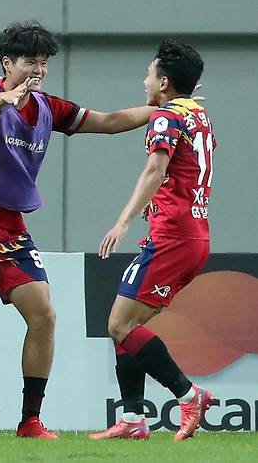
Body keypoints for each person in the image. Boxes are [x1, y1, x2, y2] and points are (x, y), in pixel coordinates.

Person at [0, 21, 157, 439]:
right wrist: (6, 96)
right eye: (29, 62)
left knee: (44, 316)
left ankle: (30, 420)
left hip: (10, 231)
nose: (38, 70)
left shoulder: (48, 108)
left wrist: (165, 109)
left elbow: (109, 121)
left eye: (43, 63)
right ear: (8, 63)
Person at [90, 40, 214, 441]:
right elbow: (185, 170)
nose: (143, 80)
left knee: (119, 324)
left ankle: (189, 394)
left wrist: (122, 220)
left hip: (173, 237)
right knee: (126, 326)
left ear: (163, 82)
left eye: (148, 73)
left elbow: (156, 169)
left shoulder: (166, 118)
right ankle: (132, 419)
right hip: (191, 233)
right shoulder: (198, 113)